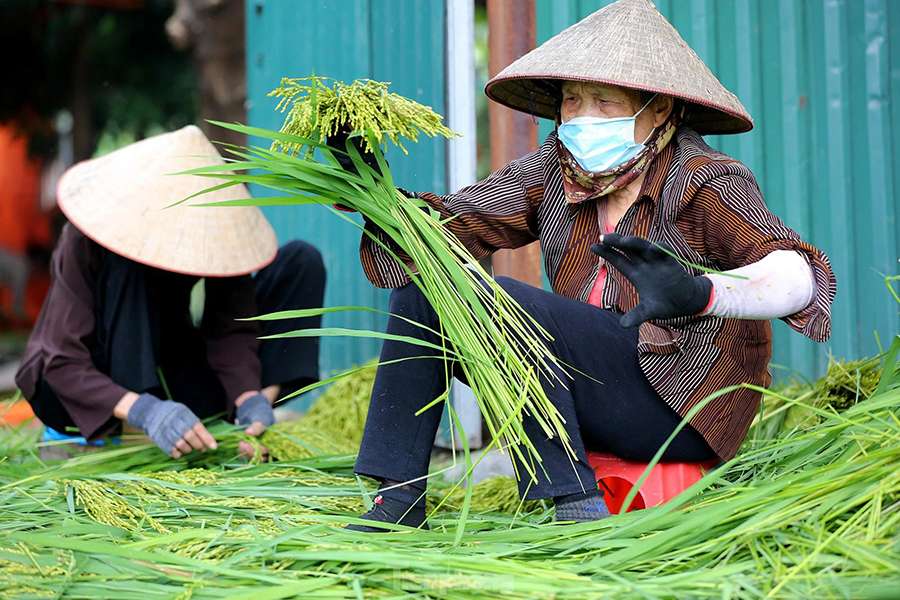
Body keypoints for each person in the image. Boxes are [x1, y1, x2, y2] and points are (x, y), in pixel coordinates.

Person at [343, 0, 836, 530]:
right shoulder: (556, 169)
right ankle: (397, 497)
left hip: (679, 405)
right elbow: (448, 230)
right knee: (427, 277)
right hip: (586, 391)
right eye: (573, 102)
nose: (582, 118)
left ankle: (573, 501)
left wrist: (702, 292)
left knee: (507, 300)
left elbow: (801, 277)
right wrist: (372, 190)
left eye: (605, 103)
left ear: (659, 110)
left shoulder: (703, 179)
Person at [16, 126, 325, 460]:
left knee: (299, 260)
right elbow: (62, 361)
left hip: (174, 380)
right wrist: (145, 411)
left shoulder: (213, 229)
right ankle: (142, 432)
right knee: (126, 266)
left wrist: (248, 397)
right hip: (92, 390)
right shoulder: (89, 238)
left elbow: (231, 326)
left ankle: (252, 428)